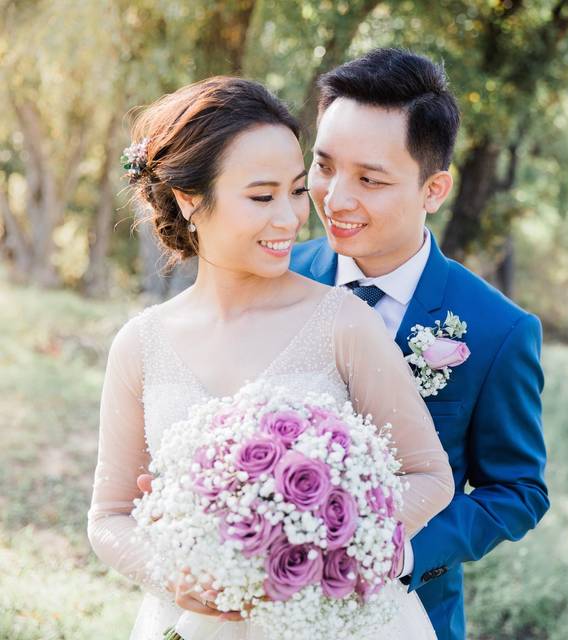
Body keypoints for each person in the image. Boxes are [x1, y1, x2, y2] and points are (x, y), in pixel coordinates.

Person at [87, 76, 453, 639]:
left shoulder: (344, 323)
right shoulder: (141, 344)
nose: (290, 218)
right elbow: (109, 518)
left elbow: (430, 475)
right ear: (190, 200)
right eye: (262, 196)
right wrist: (175, 573)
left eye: (296, 190)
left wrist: (320, 547)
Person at [289, 48, 549, 640]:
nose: (335, 198)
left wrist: (402, 552)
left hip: (405, 614)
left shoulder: (497, 330)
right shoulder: (278, 279)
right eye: (325, 166)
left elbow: (518, 490)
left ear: (433, 189)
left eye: (370, 179)